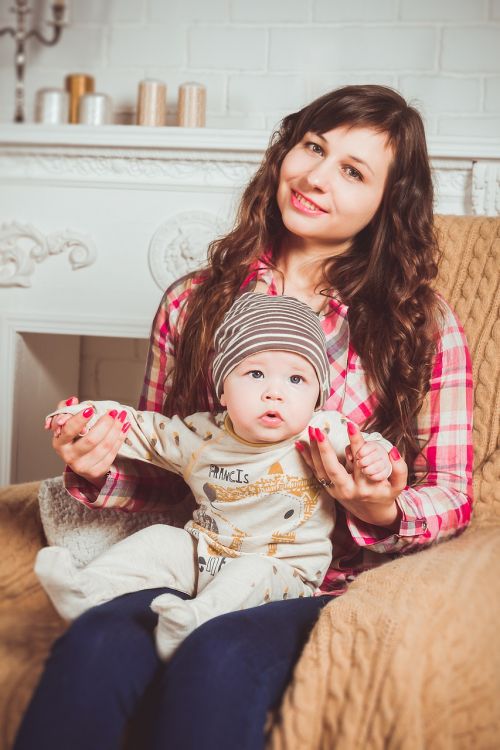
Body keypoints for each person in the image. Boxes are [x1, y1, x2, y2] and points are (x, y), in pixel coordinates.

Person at [15, 84, 472, 750]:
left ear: (387, 203)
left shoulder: (422, 325)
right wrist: (98, 464)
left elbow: (453, 493)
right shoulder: (193, 302)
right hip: (204, 552)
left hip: (314, 578)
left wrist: (380, 509)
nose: (316, 175)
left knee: (217, 659)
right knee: (95, 645)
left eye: (353, 170)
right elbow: (173, 468)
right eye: (313, 147)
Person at [37, 292, 393, 660]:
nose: (275, 392)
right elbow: (141, 428)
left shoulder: (322, 432)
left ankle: (193, 621)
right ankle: (86, 589)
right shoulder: (201, 435)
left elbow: (365, 446)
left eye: (297, 379)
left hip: (282, 574)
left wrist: (375, 457)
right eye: (255, 373)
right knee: (160, 539)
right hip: (205, 555)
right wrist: (88, 416)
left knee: (251, 571)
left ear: (318, 395)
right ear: (223, 389)